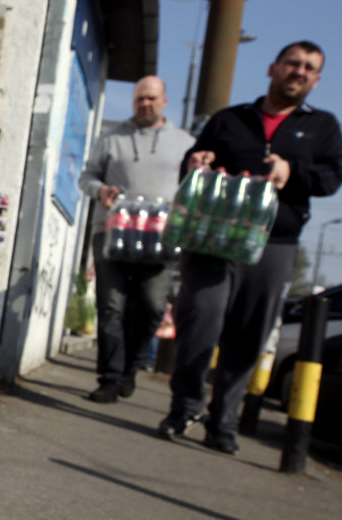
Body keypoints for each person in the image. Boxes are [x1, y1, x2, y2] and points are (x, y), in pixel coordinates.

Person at [158, 41, 342, 454]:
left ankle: (223, 421)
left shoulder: (323, 127)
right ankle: (185, 406)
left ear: (316, 79)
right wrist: (196, 159)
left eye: (310, 68)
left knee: (249, 335)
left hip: (274, 243)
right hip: (214, 238)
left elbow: (333, 179)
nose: (299, 71)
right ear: (273, 68)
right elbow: (194, 158)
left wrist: (292, 170)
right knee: (199, 319)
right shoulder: (230, 119)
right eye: (293, 63)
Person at [78, 76, 195, 403]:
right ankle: (110, 378)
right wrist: (100, 190)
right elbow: (87, 176)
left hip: (160, 239)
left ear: (164, 101)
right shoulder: (111, 138)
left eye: (152, 98)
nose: (145, 104)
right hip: (112, 232)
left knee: (152, 306)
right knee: (111, 306)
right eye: (140, 99)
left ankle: (133, 366)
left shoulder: (185, 143)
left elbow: (194, 188)